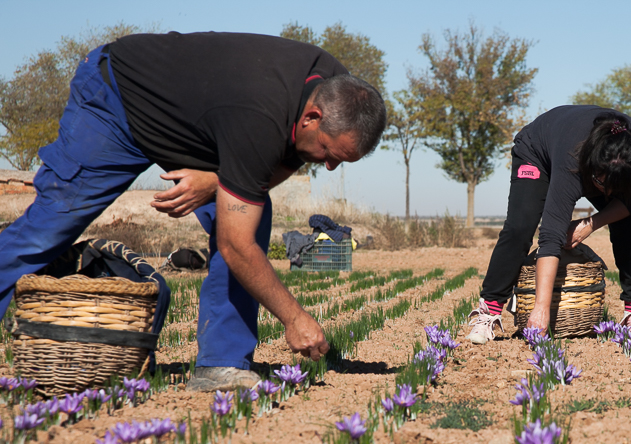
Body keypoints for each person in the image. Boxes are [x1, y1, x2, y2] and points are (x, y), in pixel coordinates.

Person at [0, 32, 386, 391]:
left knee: (251, 211)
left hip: (203, 122)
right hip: (119, 98)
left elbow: (282, 160)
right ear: (311, 118)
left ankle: (221, 362)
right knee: (51, 225)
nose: (329, 167)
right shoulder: (262, 115)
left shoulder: (341, 94)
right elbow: (236, 246)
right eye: (329, 155)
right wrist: (294, 318)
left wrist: (217, 182)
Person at [466, 105, 631, 344]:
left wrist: (591, 223)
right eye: (601, 184)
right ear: (593, 169)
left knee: (630, 222)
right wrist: (541, 309)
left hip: (603, 170)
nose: (606, 194)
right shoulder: (573, 159)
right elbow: (552, 235)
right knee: (520, 225)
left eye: (614, 189)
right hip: (537, 151)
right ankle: (488, 313)